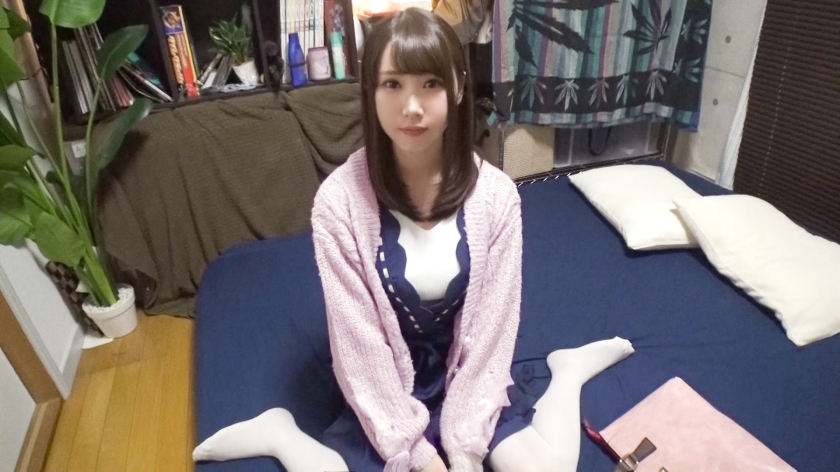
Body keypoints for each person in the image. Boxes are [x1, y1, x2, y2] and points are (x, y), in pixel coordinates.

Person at [192, 8, 634, 472]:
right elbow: (359, 348)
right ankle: (280, 432)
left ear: (458, 88)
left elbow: (492, 332)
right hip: (386, 381)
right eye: (392, 84)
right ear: (371, 91)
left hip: (466, 374)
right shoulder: (339, 204)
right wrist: (420, 457)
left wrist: (463, 452)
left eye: (430, 84)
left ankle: (568, 372)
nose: (412, 107)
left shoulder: (498, 198)